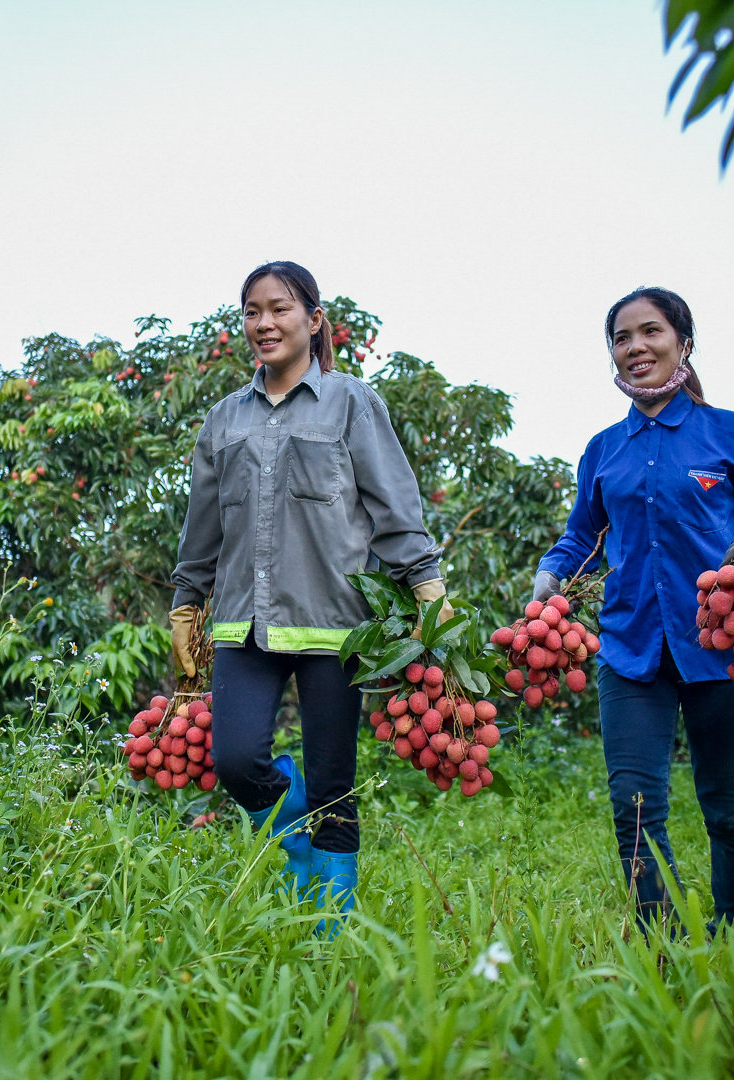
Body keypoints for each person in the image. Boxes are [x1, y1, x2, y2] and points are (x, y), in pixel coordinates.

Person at [169, 261, 452, 928]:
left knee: (334, 784)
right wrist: (187, 601)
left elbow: (392, 504)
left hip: (334, 625)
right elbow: (203, 523)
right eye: (250, 312)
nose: (264, 323)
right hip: (244, 622)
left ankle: (329, 922)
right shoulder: (225, 419)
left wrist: (427, 587)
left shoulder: (352, 403)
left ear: (313, 319)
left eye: (279, 309)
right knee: (235, 760)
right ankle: (293, 829)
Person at [534, 287, 734, 936]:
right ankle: (664, 942)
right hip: (630, 652)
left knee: (726, 807)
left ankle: (733, 934)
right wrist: (550, 575)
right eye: (621, 338)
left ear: (683, 341)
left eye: (649, 331)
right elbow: (582, 537)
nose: (635, 347)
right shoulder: (604, 449)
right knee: (634, 809)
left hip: (721, 644)